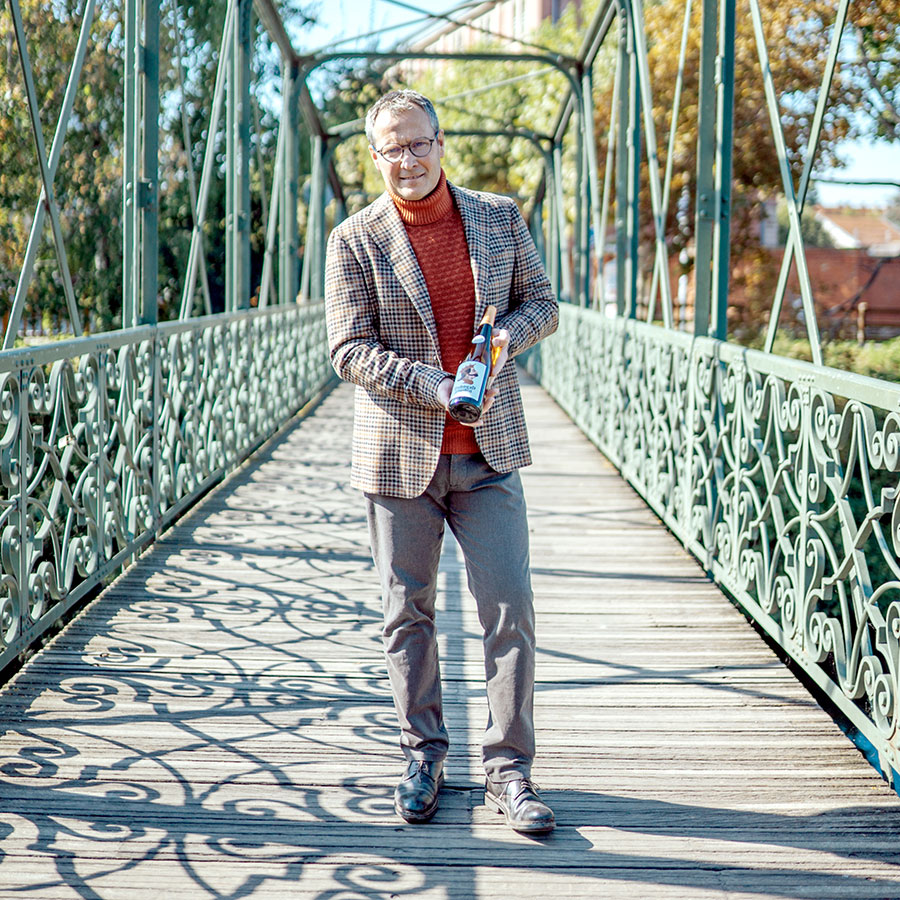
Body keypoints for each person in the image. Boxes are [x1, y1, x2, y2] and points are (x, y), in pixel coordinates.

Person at [324, 89, 558, 835]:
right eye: (391, 147)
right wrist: (434, 383)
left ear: (441, 140)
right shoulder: (353, 239)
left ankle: (510, 770)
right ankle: (423, 753)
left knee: (509, 612)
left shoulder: (498, 217)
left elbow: (542, 305)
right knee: (407, 615)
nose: (407, 158)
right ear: (374, 155)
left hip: (489, 454)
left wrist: (495, 350)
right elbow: (347, 349)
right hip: (399, 455)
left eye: (418, 142)